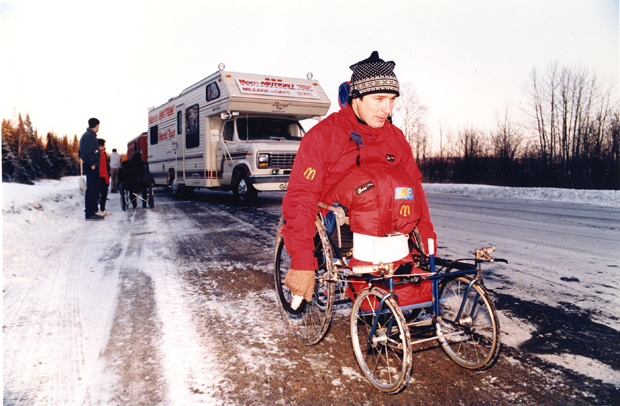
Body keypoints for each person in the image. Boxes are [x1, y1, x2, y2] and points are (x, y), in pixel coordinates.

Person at [281, 51, 437, 309]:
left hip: (387, 226)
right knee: (369, 188)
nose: (387, 109)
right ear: (357, 97)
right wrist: (302, 263)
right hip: (336, 223)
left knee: (398, 186)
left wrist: (427, 251)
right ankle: (367, 277)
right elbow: (301, 196)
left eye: (392, 100)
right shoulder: (324, 136)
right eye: (379, 99)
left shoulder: (395, 138)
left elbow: (416, 192)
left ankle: (394, 280)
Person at [78, 118, 103, 221]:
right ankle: (90, 213)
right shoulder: (90, 136)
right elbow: (86, 151)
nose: (98, 128)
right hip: (91, 166)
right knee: (93, 189)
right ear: (96, 125)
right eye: (98, 126)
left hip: (89, 165)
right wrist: (91, 162)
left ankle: (92, 211)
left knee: (92, 189)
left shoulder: (87, 135)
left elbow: (80, 152)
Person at [97, 138, 112, 216]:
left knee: (103, 194)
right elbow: (103, 167)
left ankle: (102, 209)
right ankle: (100, 210)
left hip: (103, 176)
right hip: (101, 176)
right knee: (102, 193)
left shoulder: (103, 153)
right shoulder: (100, 153)